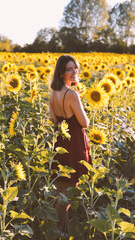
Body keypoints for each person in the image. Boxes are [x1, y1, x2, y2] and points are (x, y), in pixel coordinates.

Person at [49, 54, 92, 234]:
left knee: (62, 187)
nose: (74, 71)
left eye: (75, 68)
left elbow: (54, 119)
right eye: (69, 69)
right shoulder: (72, 94)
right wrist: (78, 103)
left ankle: (59, 227)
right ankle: (60, 229)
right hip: (74, 143)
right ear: (61, 73)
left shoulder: (54, 92)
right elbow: (85, 123)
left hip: (61, 142)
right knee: (68, 192)